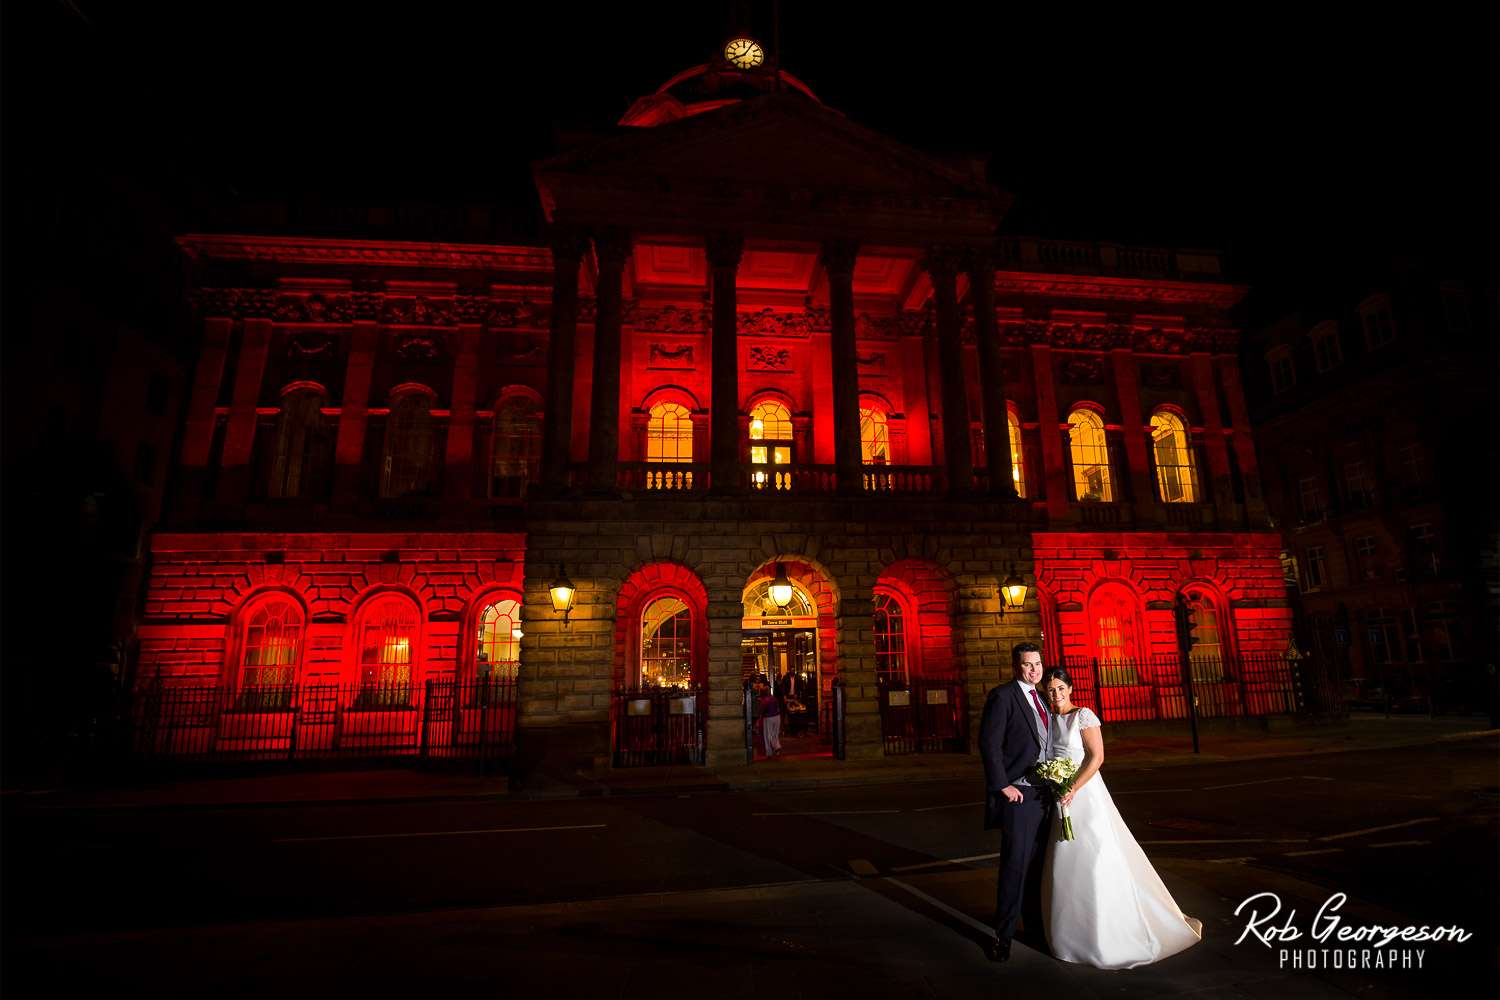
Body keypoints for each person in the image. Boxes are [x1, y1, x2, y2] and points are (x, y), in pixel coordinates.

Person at [1039, 666, 1203, 969]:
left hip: (1084, 793)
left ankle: (1109, 930)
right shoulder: (1048, 718)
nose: (1057, 694)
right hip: (1060, 794)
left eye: (1061, 687)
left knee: (1096, 852)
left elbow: (1097, 757)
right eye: (1051, 689)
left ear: (1070, 688)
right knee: (1065, 854)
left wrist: (1072, 788)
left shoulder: (1083, 715)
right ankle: (1070, 931)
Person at [978, 641, 1053, 963]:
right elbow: (989, 744)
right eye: (1027, 665)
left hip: (1047, 795)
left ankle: (1036, 929)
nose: (1034, 669)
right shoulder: (1003, 696)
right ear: (1016, 667)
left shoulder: (1047, 699)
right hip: (1019, 794)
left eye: (1037, 663)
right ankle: (1003, 935)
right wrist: (1002, 785)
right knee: (1015, 865)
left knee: (1040, 867)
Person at [759, 684, 783, 757]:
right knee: (775, 734)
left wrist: (759, 719)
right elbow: (778, 708)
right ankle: (777, 747)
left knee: (768, 734)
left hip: (768, 718)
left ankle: (769, 751)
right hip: (777, 717)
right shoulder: (774, 698)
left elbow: (762, 711)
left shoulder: (764, 700)